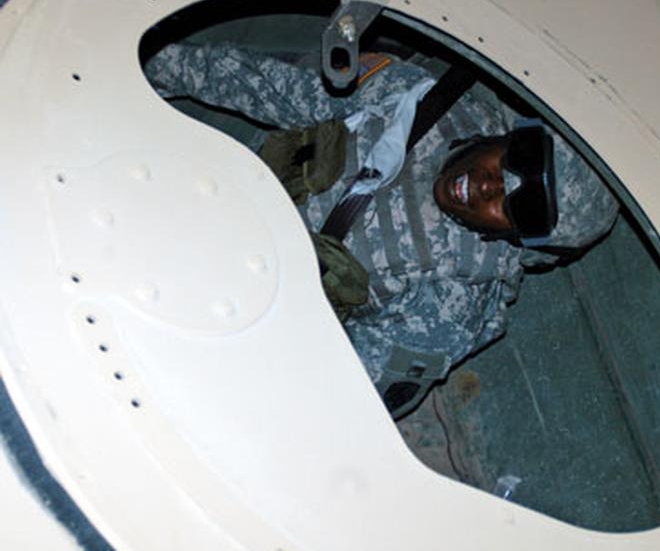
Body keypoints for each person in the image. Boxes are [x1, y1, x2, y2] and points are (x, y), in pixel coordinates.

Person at [145, 41, 619, 415]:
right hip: (211, 187)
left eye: (520, 207)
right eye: (515, 160)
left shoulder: (453, 303)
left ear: (520, 240)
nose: (489, 186)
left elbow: (331, 398)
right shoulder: (419, 100)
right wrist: (144, 67)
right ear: (510, 135)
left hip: (236, 306)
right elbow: (257, 82)